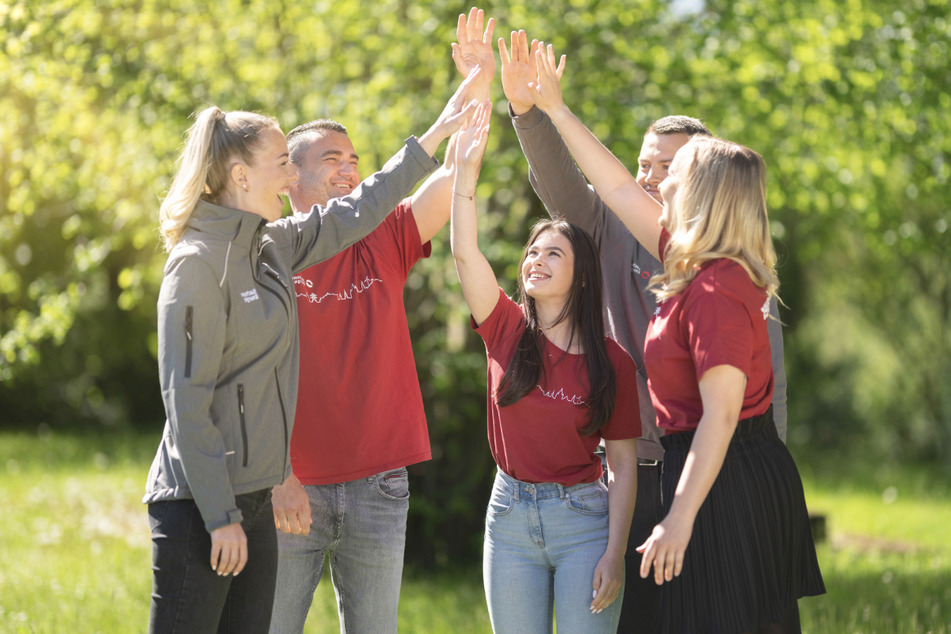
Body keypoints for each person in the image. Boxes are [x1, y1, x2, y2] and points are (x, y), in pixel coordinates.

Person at [142, 71, 480, 633]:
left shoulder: (272, 246)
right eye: (283, 163)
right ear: (241, 174)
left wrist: (443, 126)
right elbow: (187, 401)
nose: (290, 175)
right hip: (205, 504)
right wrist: (228, 512)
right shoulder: (198, 263)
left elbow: (363, 206)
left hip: (252, 502)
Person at [526, 42, 825, 633]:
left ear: (704, 193)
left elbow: (721, 416)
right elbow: (613, 187)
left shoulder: (715, 290)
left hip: (724, 475)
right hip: (711, 468)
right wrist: (554, 110)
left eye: (674, 174)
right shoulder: (692, 262)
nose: (656, 185)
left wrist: (680, 514)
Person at [265, 11, 496, 634]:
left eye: (355, 158)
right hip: (289, 487)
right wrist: (277, 476)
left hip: (378, 486)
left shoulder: (387, 235)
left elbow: (455, 173)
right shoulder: (268, 251)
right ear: (291, 178)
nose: (350, 167)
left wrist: (480, 84)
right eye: (332, 158)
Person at [449, 99, 641, 633]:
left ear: (582, 277)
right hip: (508, 517)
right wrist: (465, 174)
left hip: (584, 522)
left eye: (554, 254)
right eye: (533, 252)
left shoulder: (613, 362)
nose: (536, 260)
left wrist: (615, 553)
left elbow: (623, 467)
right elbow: (465, 254)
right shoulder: (505, 328)